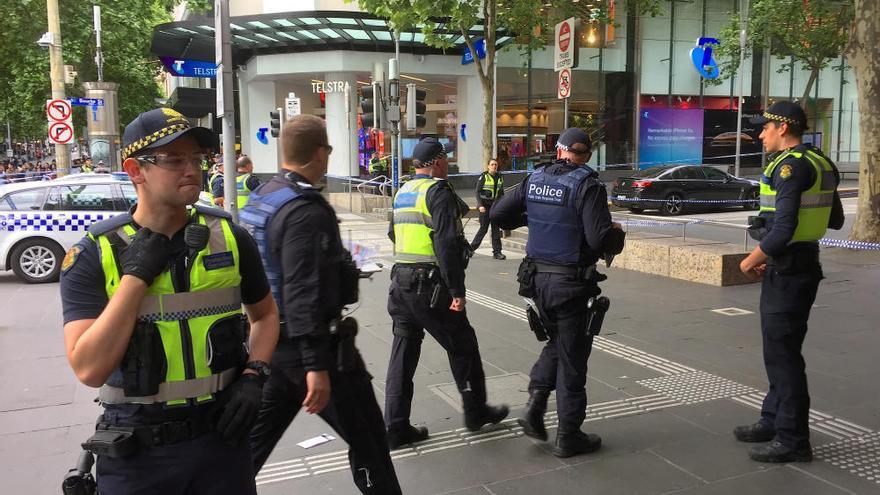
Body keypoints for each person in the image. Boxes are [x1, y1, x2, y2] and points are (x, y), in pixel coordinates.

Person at [59, 107, 280, 494]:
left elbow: (265, 316)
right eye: (174, 159)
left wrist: (254, 375)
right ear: (135, 170)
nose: (191, 169)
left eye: (196, 158)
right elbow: (89, 368)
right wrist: (136, 277)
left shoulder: (230, 236)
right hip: (139, 453)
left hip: (222, 443)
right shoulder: (95, 253)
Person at [243, 115, 401, 494]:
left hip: (269, 346)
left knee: (247, 450)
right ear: (320, 153)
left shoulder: (262, 197)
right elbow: (303, 289)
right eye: (328, 149)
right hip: (315, 349)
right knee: (368, 440)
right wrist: (316, 365)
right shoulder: (306, 210)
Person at [491, 128, 625, 458]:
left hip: (536, 284)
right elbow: (597, 239)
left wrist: (536, 217)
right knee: (573, 359)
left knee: (558, 343)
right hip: (571, 285)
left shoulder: (534, 178)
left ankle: (536, 405)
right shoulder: (588, 184)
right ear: (588, 155)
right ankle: (569, 435)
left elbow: (497, 214)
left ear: (559, 149)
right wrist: (616, 236)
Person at [735, 101, 844, 463]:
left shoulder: (791, 168)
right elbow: (836, 219)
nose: (760, 133)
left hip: (789, 269)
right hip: (797, 265)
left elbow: (783, 230)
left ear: (783, 128)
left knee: (783, 357)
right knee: (778, 351)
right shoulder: (820, 162)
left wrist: (750, 262)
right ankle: (773, 419)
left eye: (764, 127)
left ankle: (793, 440)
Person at [385, 137, 509, 448]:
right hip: (429, 286)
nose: (448, 164)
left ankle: (395, 426)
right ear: (438, 162)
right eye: (446, 159)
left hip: (399, 283)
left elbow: (392, 232)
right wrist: (457, 290)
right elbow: (446, 244)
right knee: (463, 344)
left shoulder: (403, 191)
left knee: (403, 353)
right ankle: (476, 412)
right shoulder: (438, 192)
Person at [470, 158, 506, 260]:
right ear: (488, 166)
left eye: (495, 164)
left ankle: (497, 252)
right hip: (485, 206)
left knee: (496, 229)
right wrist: (480, 205)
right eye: (492, 164)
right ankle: (470, 249)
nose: (494, 166)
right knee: (483, 229)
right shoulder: (484, 176)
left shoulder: (500, 177)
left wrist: (503, 204)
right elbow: (477, 192)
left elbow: (501, 192)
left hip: (495, 206)